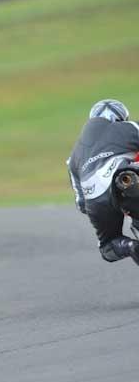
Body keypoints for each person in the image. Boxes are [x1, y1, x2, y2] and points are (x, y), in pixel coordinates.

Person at [67, 99, 139, 264]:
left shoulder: (73, 157)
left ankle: (128, 245)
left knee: (107, 247)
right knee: (128, 176)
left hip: (94, 201)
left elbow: (81, 205)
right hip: (125, 179)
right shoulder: (126, 128)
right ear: (121, 118)